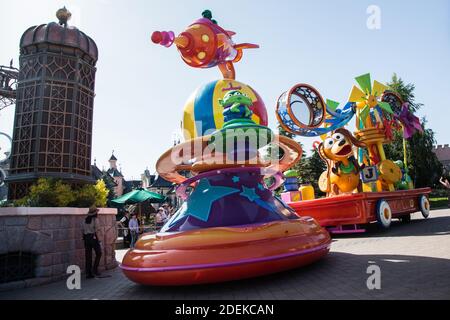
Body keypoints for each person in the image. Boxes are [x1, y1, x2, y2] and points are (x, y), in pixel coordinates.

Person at [82, 206, 102, 279]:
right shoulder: (95, 220)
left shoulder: (84, 220)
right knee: (99, 253)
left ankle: (88, 273)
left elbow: (83, 230)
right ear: (95, 213)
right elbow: (97, 230)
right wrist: (99, 240)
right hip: (93, 237)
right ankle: (95, 270)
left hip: (86, 238)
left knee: (88, 256)